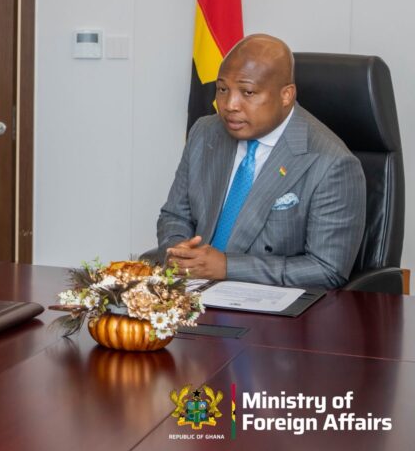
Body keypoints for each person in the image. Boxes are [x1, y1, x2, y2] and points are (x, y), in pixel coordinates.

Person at [156, 35, 365, 289]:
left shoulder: (332, 163)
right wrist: (180, 251)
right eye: (223, 89)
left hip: (269, 309)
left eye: (248, 92)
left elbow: (327, 269)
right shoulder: (205, 132)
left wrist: (227, 267)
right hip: (191, 292)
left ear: (286, 95)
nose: (230, 105)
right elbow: (175, 215)